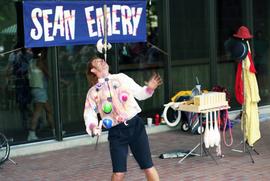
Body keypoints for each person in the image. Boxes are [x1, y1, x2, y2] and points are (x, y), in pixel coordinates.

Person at [84, 56, 161, 181]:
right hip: (117, 132)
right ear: (93, 70)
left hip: (136, 126)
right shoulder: (94, 92)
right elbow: (89, 113)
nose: (102, 62)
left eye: (102, 60)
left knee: (148, 166)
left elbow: (140, 94)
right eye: (98, 62)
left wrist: (149, 88)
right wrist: (93, 127)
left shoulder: (122, 78)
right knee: (119, 173)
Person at [27, 48, 55, 141]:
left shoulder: (31, 61)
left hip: (35, 89)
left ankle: (55, 130)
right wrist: (63, 82)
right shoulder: (40, 63)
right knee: (38, 112)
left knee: (48, 110)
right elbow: (49, 75)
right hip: (40, 89)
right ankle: (31, 133)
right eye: (44, 52)